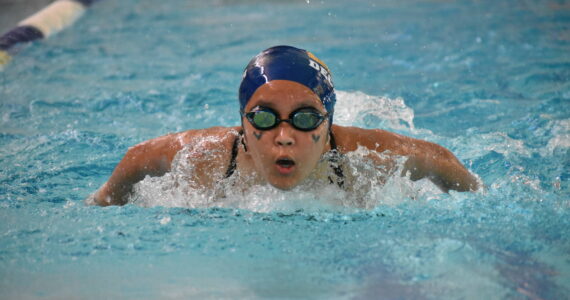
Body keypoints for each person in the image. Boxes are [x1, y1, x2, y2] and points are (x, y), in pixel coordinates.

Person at [92, 45, 479, 206]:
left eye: (305, 119)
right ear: (242, 121)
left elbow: (440, 159)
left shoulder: (369, 159)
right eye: (262, 117)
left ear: (328, 123)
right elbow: (136, 159)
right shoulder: (205, 160)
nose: (283, 137)